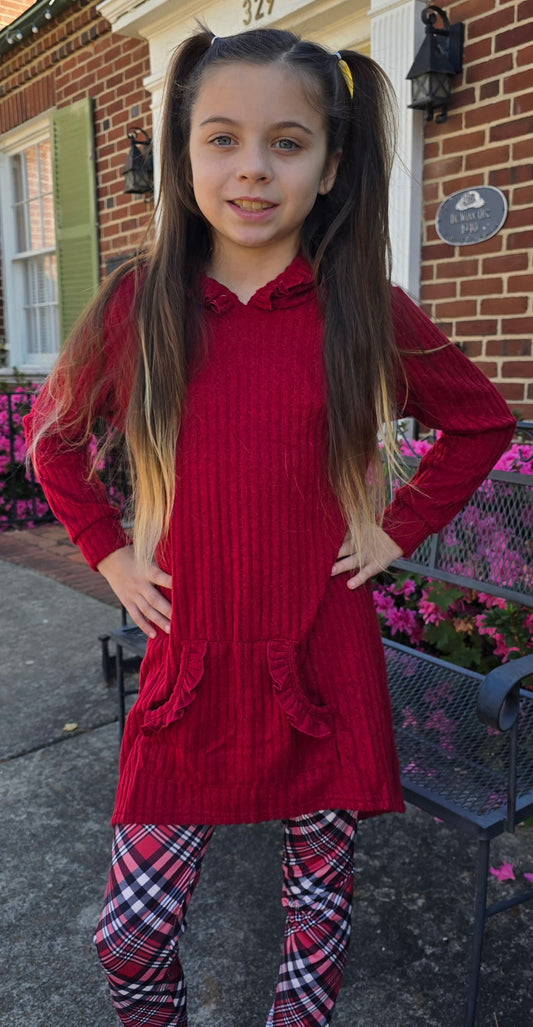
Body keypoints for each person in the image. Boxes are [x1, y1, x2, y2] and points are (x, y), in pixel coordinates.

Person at [25, 25, 515, 1027]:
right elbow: (56, 446)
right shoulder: (138, 303)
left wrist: (394, 527)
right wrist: (111, 556)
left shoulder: (359, 309)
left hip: (316, 656)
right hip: (190, 664)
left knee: (314, 921)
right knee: (129, 934)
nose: (252, 168)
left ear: (331, 165)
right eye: (222, 138)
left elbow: (478, 420)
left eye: (286, 143)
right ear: (183, 151)